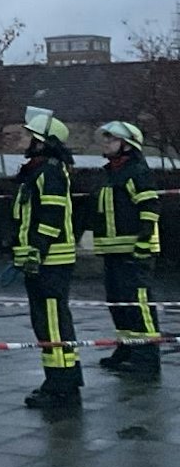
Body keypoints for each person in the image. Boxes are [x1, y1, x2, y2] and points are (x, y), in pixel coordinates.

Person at [11, 107, 82, 408]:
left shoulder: (49, 172)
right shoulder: (38, 171)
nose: (22, 139)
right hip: (41, 260)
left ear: (42, 141)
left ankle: (63, 388)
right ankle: (56, 379)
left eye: (28, 135)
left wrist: (37, 251)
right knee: (46, 324)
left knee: (54, 324)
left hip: (50, 261)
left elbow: (51, 218)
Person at [93, 121, 162, 376]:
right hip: (114, 251)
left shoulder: (136, 171)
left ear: (127, 144)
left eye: (111, 140)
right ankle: (127, 348)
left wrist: (143, 242)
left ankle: (146, 357)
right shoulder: (111, 172)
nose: (106, 144)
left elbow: (149, 207)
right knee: (118, 302)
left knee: (138, 303)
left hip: (135, 251)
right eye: (106, 140)